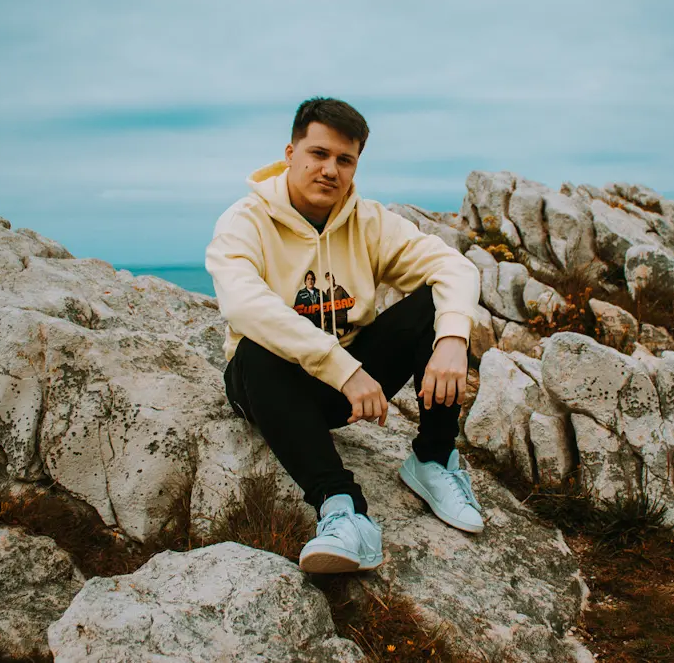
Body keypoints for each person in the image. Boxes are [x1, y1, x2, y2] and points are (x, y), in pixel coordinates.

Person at [205, 96, 483, 574]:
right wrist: (344, 369)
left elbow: (452, 266)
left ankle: (433, 459)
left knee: (435, 304)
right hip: (272, 389)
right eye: (318, 153)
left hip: (346, 391)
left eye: (344, 159)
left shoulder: (368, 221)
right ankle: (343, 510)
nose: (330, 170)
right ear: (290, 153)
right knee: (256, 348)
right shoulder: (244, 222)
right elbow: (245, 306)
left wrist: (453, 340)